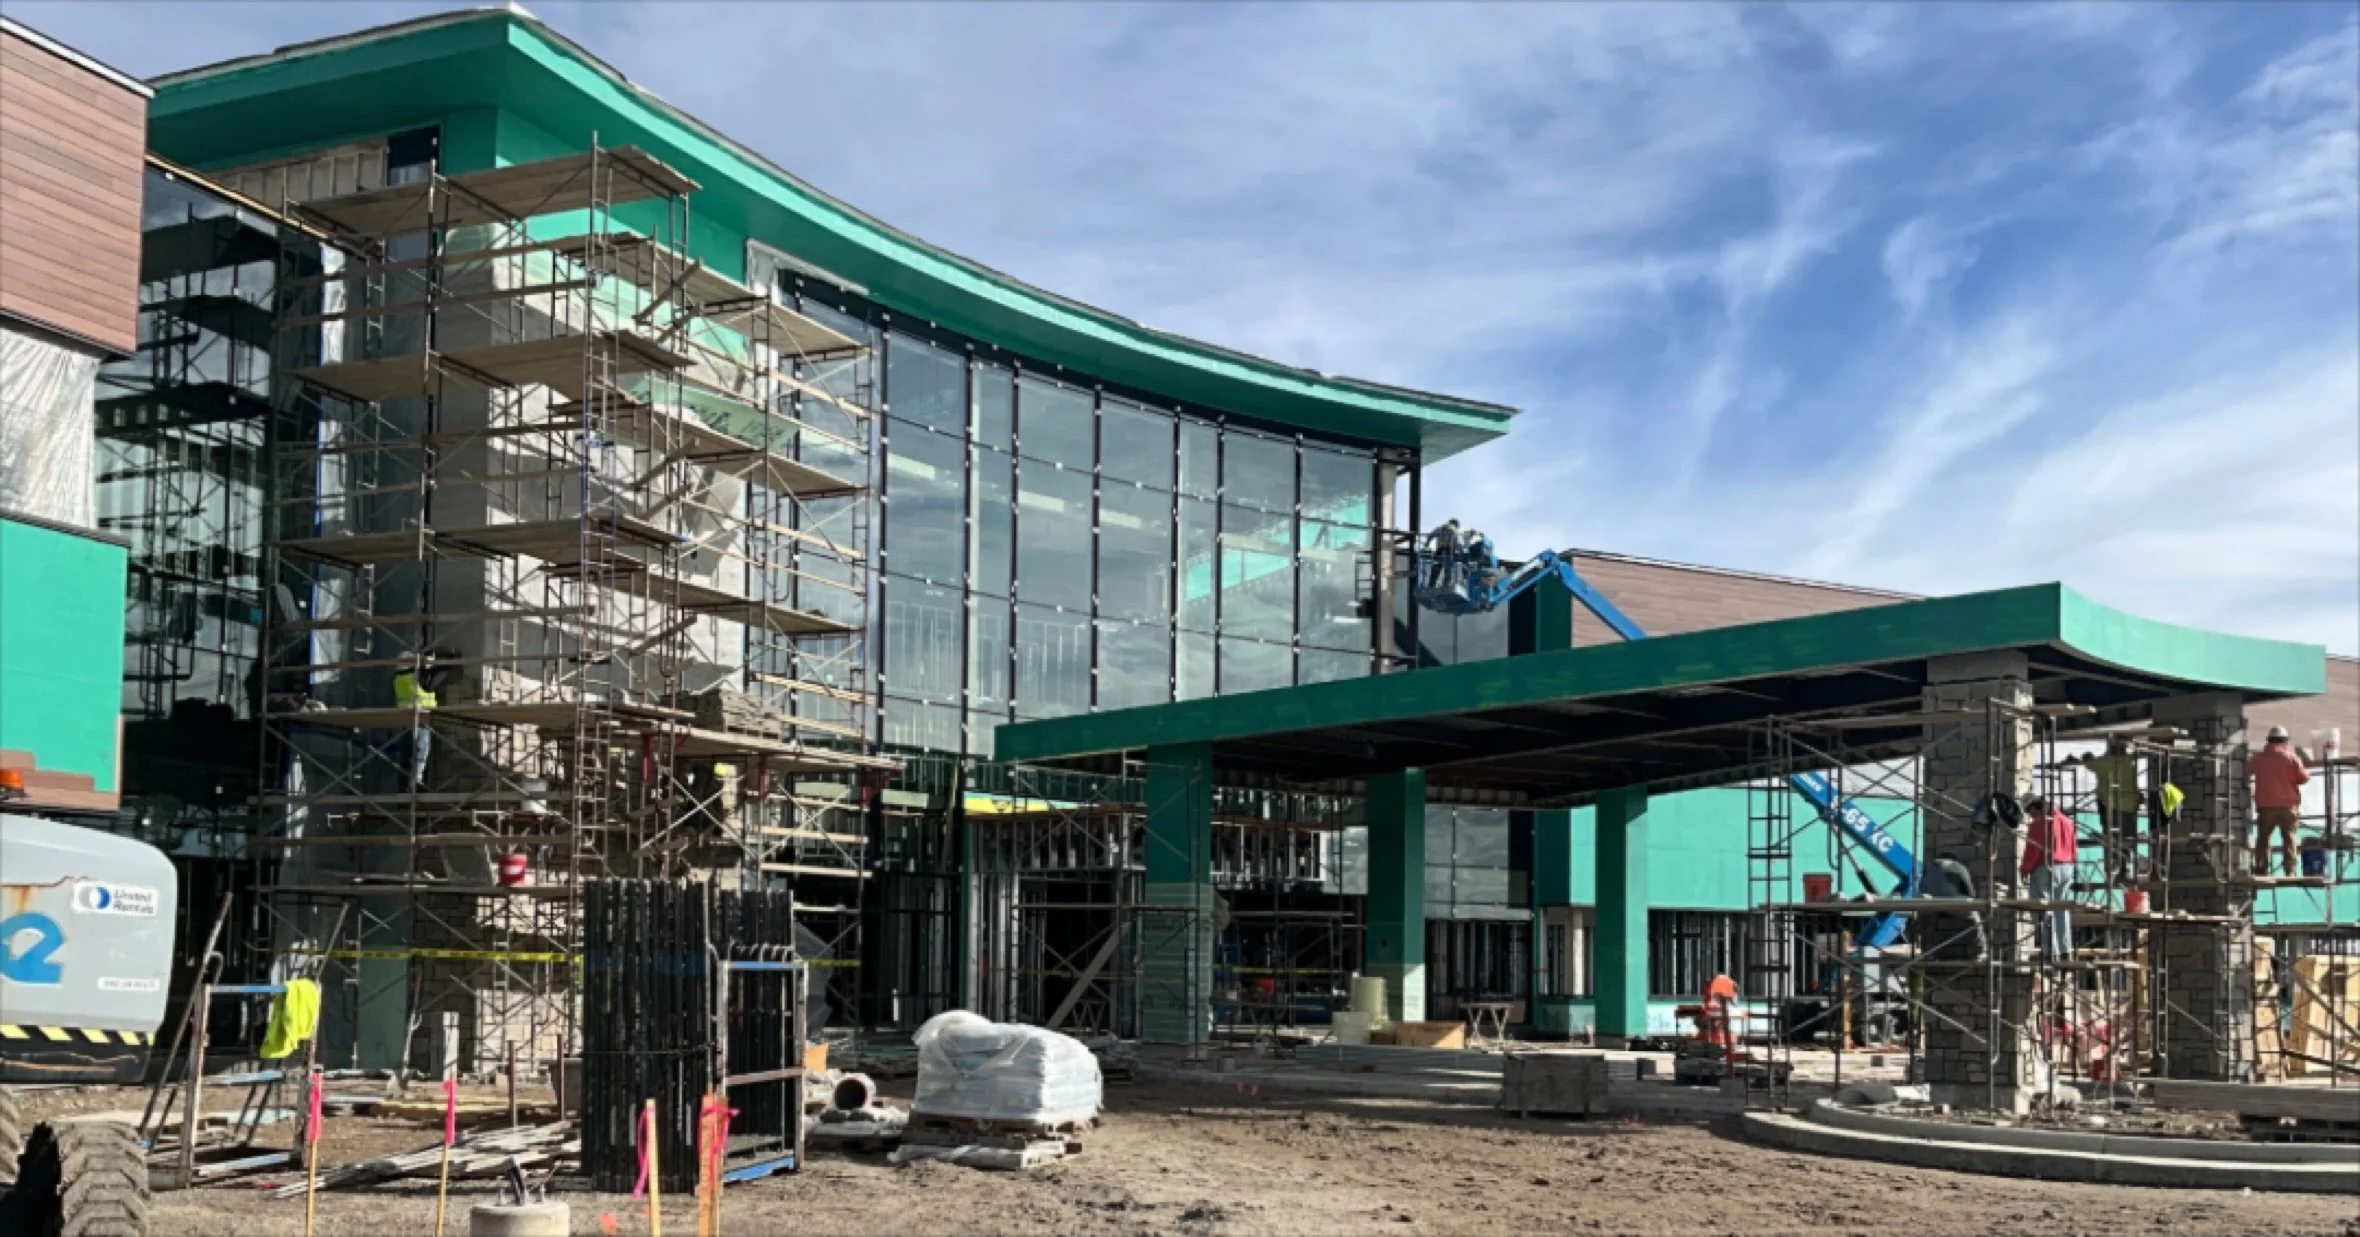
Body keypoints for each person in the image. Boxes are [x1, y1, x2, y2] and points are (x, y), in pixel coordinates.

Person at [2078, 734, 2143, 884]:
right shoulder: (2131, 762)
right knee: (2127, 839)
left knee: (2111, 840)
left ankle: (2113, 871)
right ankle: (2125, 870)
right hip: (2130, 806)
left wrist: (2087, 756)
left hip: (2110, 807)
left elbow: (2088, 763)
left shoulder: (2102, 763)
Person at [2019, 794, 2078, 962]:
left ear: (2035, 807)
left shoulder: (2041, 822)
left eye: (2029, 812)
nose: (2030, 816)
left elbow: (2033, 850)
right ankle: (2065, 950)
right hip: (2067, 867)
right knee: (2061, 909)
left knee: (2044, 910)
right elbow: (2074, 847)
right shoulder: (2067, 821)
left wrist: (2024, 870)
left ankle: (2050, 952)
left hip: (2047, 868)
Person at [2248, 725, 2311, 877]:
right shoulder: (2291, 758)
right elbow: (2304, 778)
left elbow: (2247, 770)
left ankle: (2261, 868)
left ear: (2269, 740)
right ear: (2285, 740)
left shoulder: (2259, 759)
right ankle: (2290, 870)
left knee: (2263, 839)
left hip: (2266, 807)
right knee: (2289, 838)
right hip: (2288, 806)